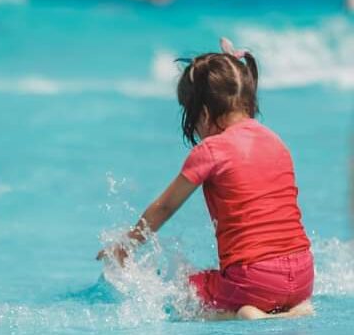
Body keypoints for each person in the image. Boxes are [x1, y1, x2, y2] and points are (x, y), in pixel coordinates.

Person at [97, 38, 315, 320]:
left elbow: (165, 207)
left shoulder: (212, 149)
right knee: (254, 283)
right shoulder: (276, 142)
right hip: (303, 276)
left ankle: (241, 314)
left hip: (254, 282)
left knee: (181, 298)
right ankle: (291, 308)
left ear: (205, 113)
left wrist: (126, 244)